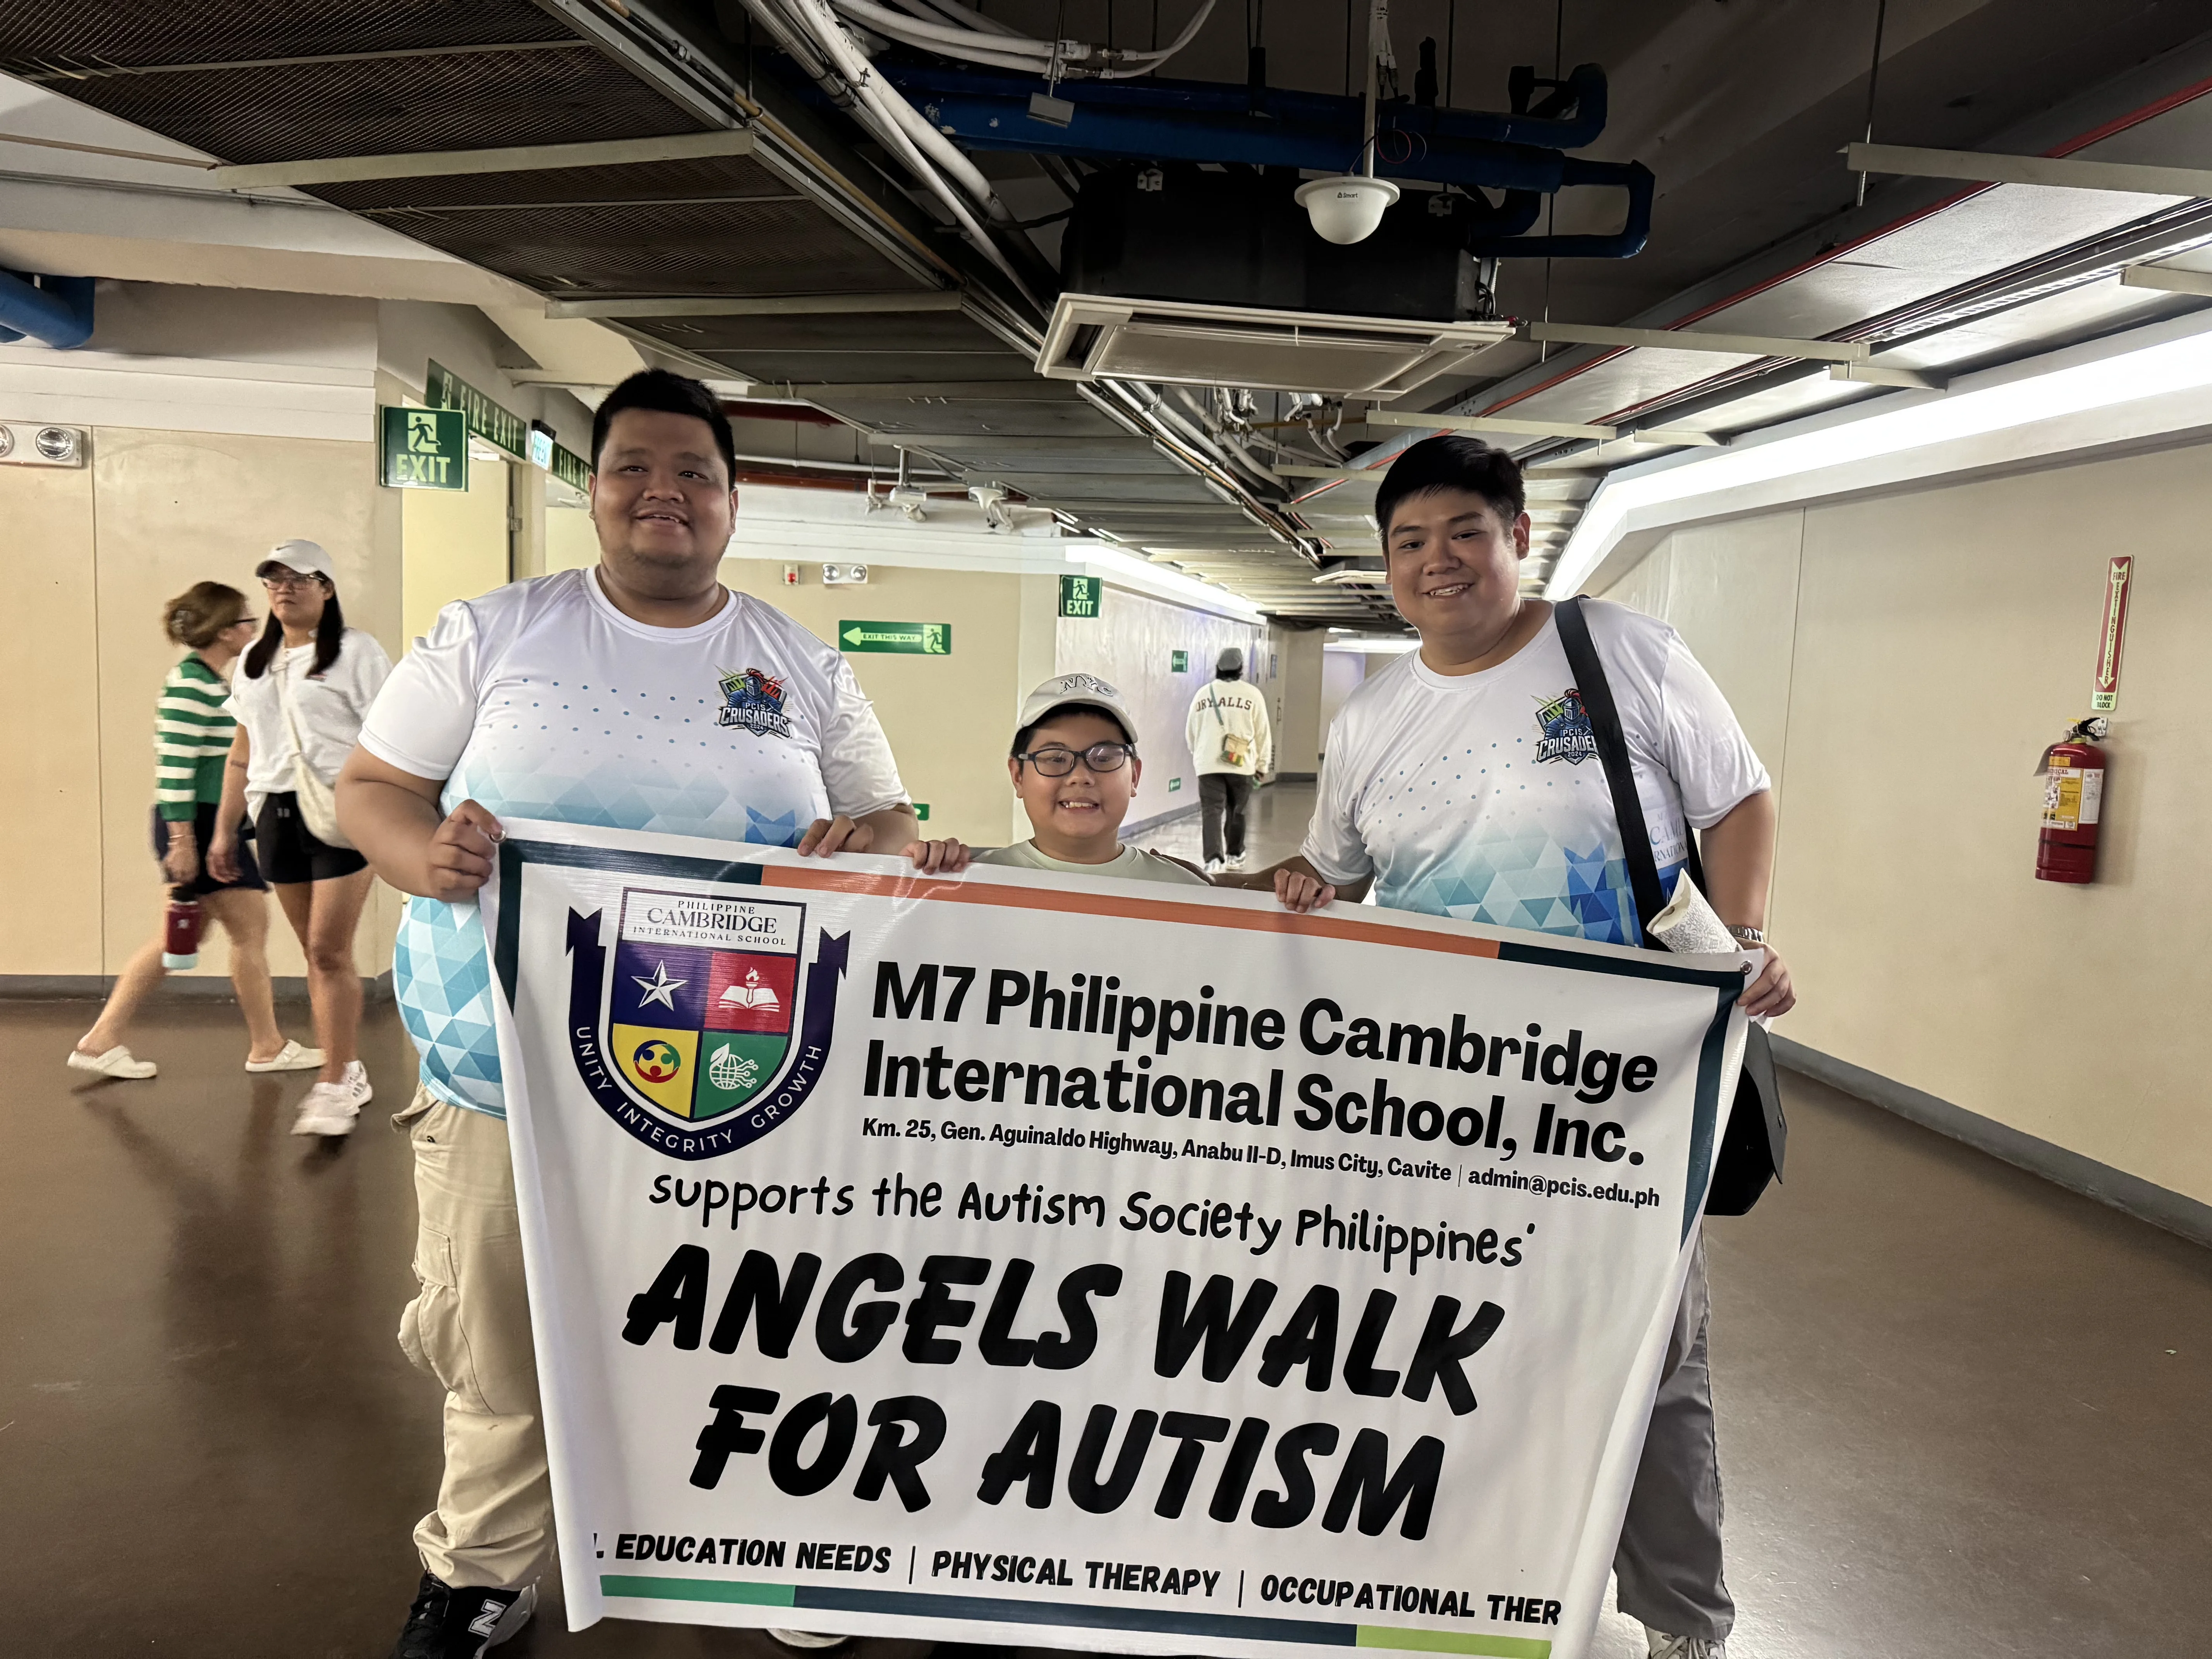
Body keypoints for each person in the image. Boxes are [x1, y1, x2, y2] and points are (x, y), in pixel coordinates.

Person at [335, 369, 918, 1659]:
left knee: (748, 1324)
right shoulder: (495, 633)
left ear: (733, 499)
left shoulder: (800, 664)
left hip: (743, 1078)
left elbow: (889, 819)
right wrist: (422, 853)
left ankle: (766, 1550)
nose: (665, 492)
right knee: (499, 1338)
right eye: (633, 468)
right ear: (592, 491)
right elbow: (371, 785)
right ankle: (481, 1571)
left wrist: (862, 842)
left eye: (695, 472)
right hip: (504, 1064)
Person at [1241, 435, 1793, 1659]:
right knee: (1445, 1336)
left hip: (1619, 1090)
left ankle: (1681, 1618)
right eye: (1409, 542)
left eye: (1465, 533)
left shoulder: (1619, 653)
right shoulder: (1373, 720)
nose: (1437, 561)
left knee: (1646, 1354)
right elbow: (1337, 875)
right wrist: (1278, 890)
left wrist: (1743, 939)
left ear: (1518, 539)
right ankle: (1467, 1579)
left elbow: (1739, 799)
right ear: (1385, 564)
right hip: (1439, 1096)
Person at [68, 582, 323, 1080]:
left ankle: (101, 1041)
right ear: (225, 631)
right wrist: (184, 842)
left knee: (181, 938)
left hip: (208, 825)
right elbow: (174, 768)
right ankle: (267, 1046)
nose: (253, 628)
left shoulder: (210, 683)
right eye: (246, 621)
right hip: (199, 827)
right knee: (249, 932)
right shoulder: (190, 685)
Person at [209, 540, 391, 1137]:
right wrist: (224, 830)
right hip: (275, 814)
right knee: (315, 954)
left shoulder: (356, 652)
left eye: (300, 578)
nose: (285, 588)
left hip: (341, 811)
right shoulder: (253, 663)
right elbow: (243, 752)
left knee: (328, 949)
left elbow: (390, 736)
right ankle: (347, 1066)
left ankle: (334, 1082)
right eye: (274, 579)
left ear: (327, 588)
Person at [910, 672, 1209, 884]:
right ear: (1018, 776)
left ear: (1135, 776)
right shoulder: (967, 882)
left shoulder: (1183, 891)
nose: (1081, 777)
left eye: (1104, 757)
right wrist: (907, 876)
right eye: (1055, 758)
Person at [1185, 644, 1272, 873]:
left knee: (1211, 811)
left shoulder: (1203, 694)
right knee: (1237, 811)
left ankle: (1213, 859)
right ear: (1241, 668)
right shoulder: (1253, 695)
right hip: (1242, 765)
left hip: (1208, 766)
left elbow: (1190, 733)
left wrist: (1200, 755)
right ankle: (1235, 855)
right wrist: (1262, 764)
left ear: (1218, 667)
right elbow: (1263, 733)